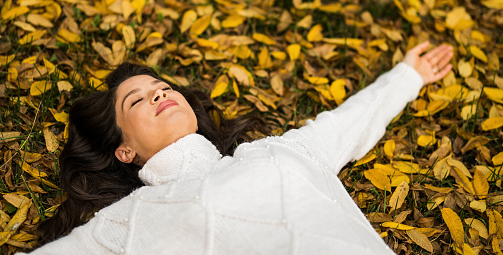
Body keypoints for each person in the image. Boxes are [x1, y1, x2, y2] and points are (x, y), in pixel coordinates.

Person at [24, 41, 453, 254]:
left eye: (162, 86)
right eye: (136, 100)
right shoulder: (134, 218)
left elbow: (348, 123)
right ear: (124, 150)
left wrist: (408, 75)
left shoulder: (280, 151)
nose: (158, 94)